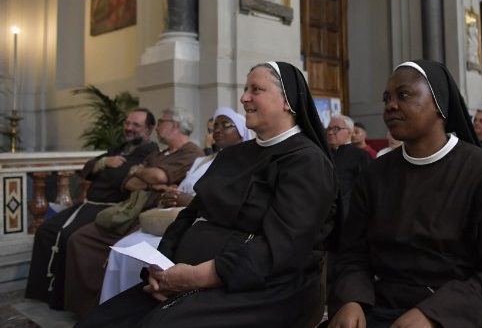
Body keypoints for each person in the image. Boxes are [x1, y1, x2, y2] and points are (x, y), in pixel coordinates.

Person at [77, 62, 338, 327]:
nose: (243, 97)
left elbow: (279, 248)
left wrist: (194, 277)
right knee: (101, 320)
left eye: (255, 89)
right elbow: (190, 215)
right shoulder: (234, 154)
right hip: (188, 276)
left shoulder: (307, 162)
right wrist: (161, 267)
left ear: (287, 100)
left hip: (262, 289)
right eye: (245, 89)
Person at [328, 60, 482, 327]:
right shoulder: (375, 174)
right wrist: (351, 299)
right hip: (383, 307)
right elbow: (352, 253)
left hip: (462, 312)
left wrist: (435, 315)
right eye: (386, 98)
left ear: (439, 103)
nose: (390, 105)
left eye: (403, 95)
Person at [99, 107, 251, 303]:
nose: (217, 130)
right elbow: (179, 187)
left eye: (225, 125)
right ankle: (119, 304)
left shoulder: (242, 163)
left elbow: (222, 202)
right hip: (174, 218)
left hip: (199, 224)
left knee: (151, 256)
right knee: (124, 248)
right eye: (215, 126)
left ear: (241, 132)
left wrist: (188, 200)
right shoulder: (201, 160)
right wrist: (171, 193)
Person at [63, 107, 204, 318]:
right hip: (130, 207)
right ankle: (84, 308)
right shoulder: (161, 152)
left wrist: (141, 173)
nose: (157, 127)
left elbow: (157, 176)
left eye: (161, 122)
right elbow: (128, 183)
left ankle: (108, 309)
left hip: (151, 211)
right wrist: (146, 177)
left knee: (119, 249)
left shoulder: (191, 152)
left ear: (174, 126)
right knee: (79, 238)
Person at [25, 108, 158, 310]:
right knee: (45, 230)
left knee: (70, 236)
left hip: (111, 209)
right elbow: (86, 169)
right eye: (127, 123)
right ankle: (43, 291)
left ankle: (60, 299)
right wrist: (105, 162)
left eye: (136, 125)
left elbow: (120, 179)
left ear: (149, 129)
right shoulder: (120, 148)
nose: (129, 128)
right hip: (87, 205)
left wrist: (105, 171)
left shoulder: (150, 152)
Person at [327, 114, 373, 222]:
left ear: (349, 132)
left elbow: (368, 188)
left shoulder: (361, 156)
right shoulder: (323, 154)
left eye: (336, 129)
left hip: (348, 215)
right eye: (328, 128)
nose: (330, 132)